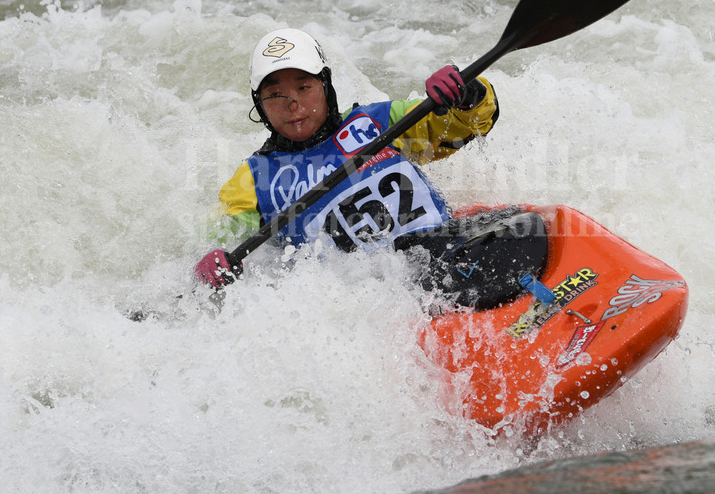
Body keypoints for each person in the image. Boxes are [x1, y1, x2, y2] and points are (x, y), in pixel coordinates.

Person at [195, 28, 547, 309]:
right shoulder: (252, 181)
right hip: (373, 303)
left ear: (325, 86)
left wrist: (466, 93)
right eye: (275, 96)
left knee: (526, 226)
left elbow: (466, 125)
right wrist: (211, 265)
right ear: (260, 104)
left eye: (304, 87)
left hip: (445, 252)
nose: (293, 105)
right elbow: (226, 250)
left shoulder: (380, 122)